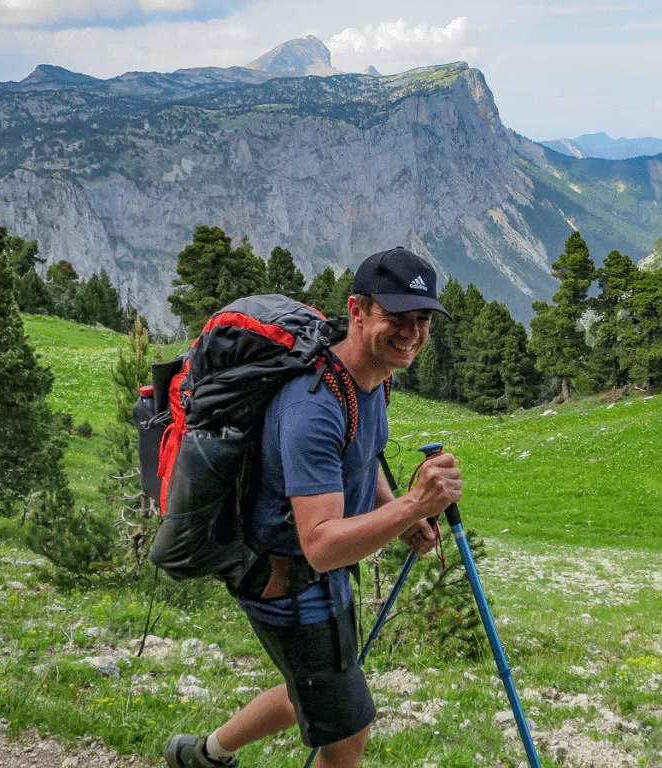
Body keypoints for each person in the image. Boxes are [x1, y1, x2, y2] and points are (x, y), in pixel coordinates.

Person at [166, 247, 461, 768]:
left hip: (316, 578)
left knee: (313, 689)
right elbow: (321, 544)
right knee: (348, 732)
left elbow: (360, 461)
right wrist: (414, 503)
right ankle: (202, 756)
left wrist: (403, 517)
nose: (411, 332)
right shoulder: (314, 407)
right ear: (357, 311)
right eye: (396, 315)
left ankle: (202, 755)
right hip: (285, 582)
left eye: (422, 319)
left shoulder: (370, 379)